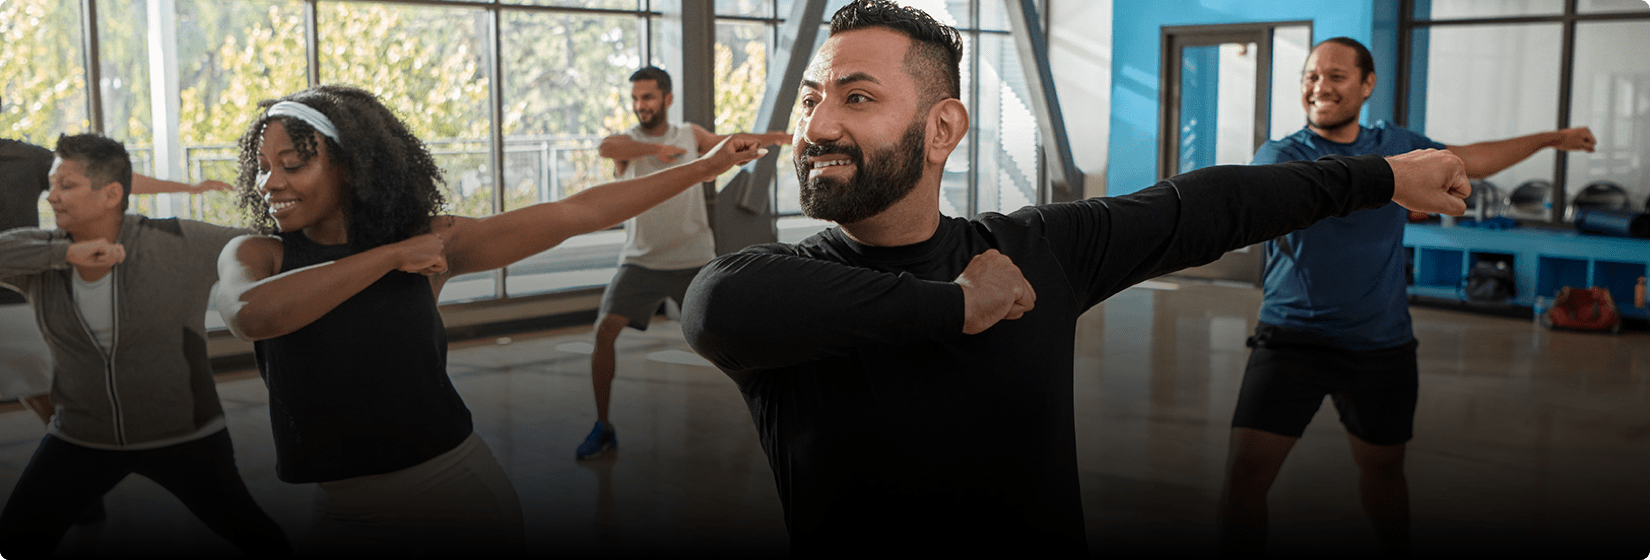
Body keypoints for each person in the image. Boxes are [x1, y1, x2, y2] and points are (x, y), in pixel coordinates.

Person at [680, 2, 1473, 556]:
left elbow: (1209, 204)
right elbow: (714, 304)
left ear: (942, 129)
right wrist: (956, 306)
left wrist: (1380, 176)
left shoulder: (1037, 251)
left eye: (856, 98)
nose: (817, 126)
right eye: (811, 100)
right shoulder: (785, 288)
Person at [214, 84, 773, 556]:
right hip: (339, 510)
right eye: (263, 168)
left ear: (352, 164)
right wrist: (390, 256)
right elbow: (251, 314)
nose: (271, 183)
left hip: (453, 497)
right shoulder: (259, 255)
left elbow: (579, 212)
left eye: (292, 164)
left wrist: (707, 166)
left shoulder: (434, 243)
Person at [1217, 37, 1597, 557]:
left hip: (1381, 344)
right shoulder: (1282, 155)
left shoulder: (1397, 144)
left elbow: (1472, 160)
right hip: (1292, 339)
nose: (1320, 86)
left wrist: (1553, 138)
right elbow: (1245, 204)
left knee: (1383, 468)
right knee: (1245, 474)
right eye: (1311, 76)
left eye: (1336, 76)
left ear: (1367, 84)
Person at [0, 133, 290, 558]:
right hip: (81, 438)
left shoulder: (176, 241)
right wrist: (64, 255)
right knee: (14, 541)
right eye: (52, 185)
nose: (52, 196)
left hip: (185, 435)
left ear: (111, 194)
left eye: (66, 185)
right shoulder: (43, 257)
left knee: (255, 536)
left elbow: (271, 248)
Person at [577, 66, 790, 460]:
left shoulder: (690, 135)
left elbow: (729, 141)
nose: (640, 105)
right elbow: (607, 148)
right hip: (641, 261)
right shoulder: (629, 142)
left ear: (667, 98)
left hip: (693, 259)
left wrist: (776, 137)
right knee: (604, 332)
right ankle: (603, 427)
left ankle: (772, 415)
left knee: (734, 338)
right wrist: (654, 151)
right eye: (635, 98)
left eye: (648, 97)